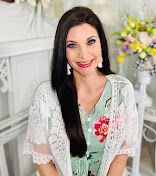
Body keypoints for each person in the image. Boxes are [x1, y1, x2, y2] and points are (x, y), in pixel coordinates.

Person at [23, 6, 138, 176]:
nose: (83, 54)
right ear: (63, 51)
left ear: (101, 43)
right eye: (72, 45)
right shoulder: (46, 96)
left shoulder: (123, 91)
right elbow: (42, 160)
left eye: (90, 41)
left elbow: (122, 153)